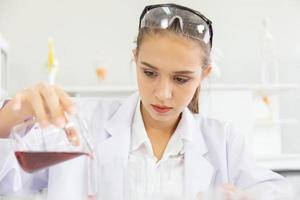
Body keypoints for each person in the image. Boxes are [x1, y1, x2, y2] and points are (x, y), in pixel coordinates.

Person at [0, 3, 294, 200]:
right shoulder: (82, 119)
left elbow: (279, 192)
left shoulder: (222, 140)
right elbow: (8, 181)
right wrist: (8, 118)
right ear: (135, 59)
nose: (163, 93)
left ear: (204, 75)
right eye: (149, 72)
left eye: (181, 79)